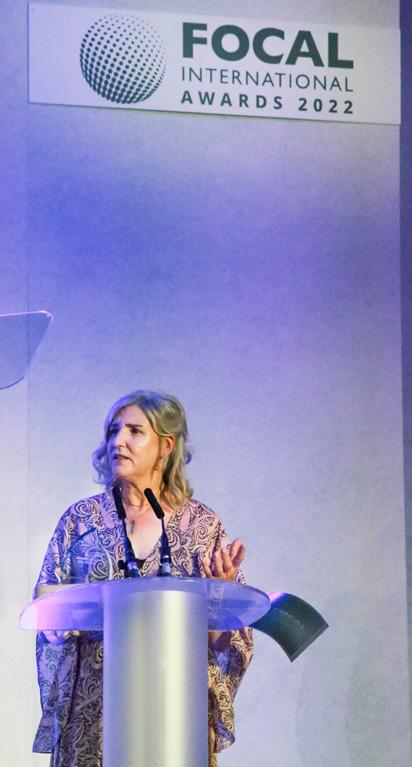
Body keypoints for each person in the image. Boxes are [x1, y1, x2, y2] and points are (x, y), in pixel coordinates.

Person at [33, 389, 253, 767]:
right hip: (93, 722)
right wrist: (53, 619)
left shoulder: (201, 526)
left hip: (174, 719)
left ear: (166, 446)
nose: (118, 441)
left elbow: (222, 644)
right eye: (113, 431)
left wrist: (224, 598)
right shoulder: (81, 522)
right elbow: (47, 611)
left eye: (135, 431)